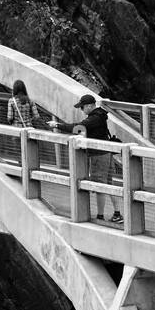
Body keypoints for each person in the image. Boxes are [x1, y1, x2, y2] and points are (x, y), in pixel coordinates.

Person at [52, 94, 121, 224]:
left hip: (98, 155)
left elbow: (77, 127)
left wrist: (57, 125)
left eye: (82, 107)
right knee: (109, 184)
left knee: (99, 185)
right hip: (107, 154)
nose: (82, 110)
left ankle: (100, 216)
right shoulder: (101, 116)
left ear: (90, 106)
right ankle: (117, 214)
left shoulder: (94, 118)